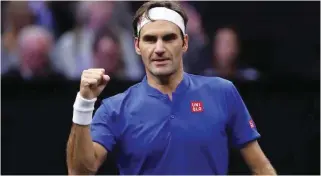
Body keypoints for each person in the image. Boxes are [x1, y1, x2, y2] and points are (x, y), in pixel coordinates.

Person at [66, 1, 276, 175]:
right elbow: (80, 172)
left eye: (168, 38)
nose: (159, 49)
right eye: (150, 39)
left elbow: (261, 167)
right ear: (138, 46)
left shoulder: (222, 92)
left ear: (184, 43)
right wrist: (83, 105)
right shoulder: (115, 108)